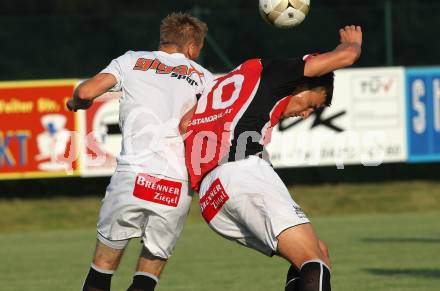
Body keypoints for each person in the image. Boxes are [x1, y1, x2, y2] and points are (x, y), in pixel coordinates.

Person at [182, 25, 362, 291]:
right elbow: (346, 57)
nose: (305, 114)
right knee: (314, 260)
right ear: (300, 83)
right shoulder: (277, 73)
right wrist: (351, 45)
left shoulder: (225, 83)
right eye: (311, 104)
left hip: (211, 198)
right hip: (242, 174)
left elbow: (185, 124)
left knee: (317, 252)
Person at [66, 12, 213, 291]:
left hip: (132, 178)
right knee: (146, 280)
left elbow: (86, 92)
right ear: (193, 47)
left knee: (102, 272)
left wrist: (76, 103)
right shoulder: (206, 78)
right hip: (175, 184)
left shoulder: (132, 60)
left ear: (165, 39)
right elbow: (189, 124)